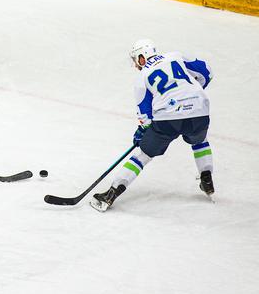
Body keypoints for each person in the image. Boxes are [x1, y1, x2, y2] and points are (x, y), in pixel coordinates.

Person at [91, 39, 214, 212]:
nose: (136, 66)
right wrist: (191, 92)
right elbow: (206, 72)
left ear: (142, 58)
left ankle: (111, 194)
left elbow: (145, 114)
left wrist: (143, 130)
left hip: (168, 118)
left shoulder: (142, 77)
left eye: (136, 60)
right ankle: (207, 179)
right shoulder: (176, 56)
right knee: (200, 140)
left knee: (142, 155)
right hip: (200, 110)